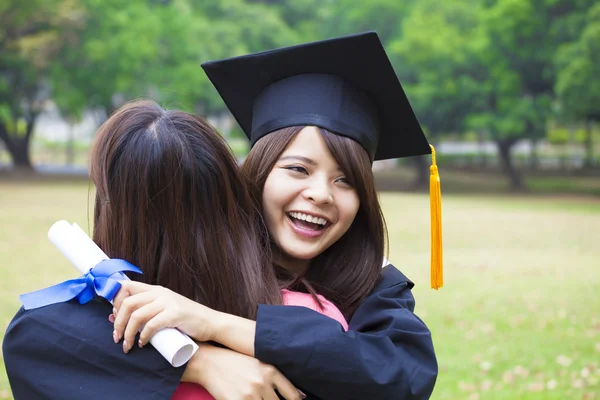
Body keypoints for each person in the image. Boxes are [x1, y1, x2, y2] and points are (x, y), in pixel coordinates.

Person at [110, 31, 439, 399]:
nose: (320, 194)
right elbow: (60, 333)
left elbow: (402, 377)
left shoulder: (373, 282)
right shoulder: (200, 251)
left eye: (345, 180)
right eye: (298, 169)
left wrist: (214, 324)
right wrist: (199, 363)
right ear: (260, 171)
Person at [3, 99, 347, 400]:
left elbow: (33, 337)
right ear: (236, 202)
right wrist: (199, 361)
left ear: (113, 213)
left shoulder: (71, 348)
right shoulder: (312, 319)